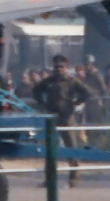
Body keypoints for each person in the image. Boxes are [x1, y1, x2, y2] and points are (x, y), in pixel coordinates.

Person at [32, 55, 90, 186]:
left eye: (62, 67)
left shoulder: (72, 81)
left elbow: (86, 92)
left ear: (67, 67)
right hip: (52, 117)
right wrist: (42, 102)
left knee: (72, 147)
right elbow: (36, 90)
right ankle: (49, 179)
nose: (59, 69)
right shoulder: (50, 80)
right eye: (57, 67)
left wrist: (76, 102)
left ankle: (74, 178)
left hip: (67, 117)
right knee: (51, 148)